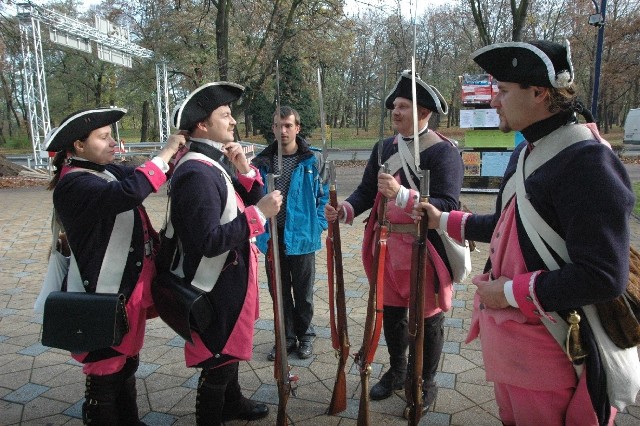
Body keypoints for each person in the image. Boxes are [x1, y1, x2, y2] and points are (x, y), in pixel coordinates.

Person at [416, 40, 635, 425]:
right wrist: (442, 220)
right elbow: (509, 225)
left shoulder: (588, 162)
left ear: (539, 93)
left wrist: (507, 293)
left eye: (503, 91)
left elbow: (604, 276)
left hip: (554, 353)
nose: (494, 102)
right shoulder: (529, 149)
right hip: (516, 351)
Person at [325, 71, 464, 414]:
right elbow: (367, 192)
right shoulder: (384, 148)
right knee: (393, 314)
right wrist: (345, 210)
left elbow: (448, 205)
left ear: (424, 113)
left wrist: (402, 194)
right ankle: (399, 369)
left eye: (404, 106)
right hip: (387, 247)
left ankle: (425, 380)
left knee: (428, 318)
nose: (396, 112)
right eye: (395, 106)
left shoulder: (443, 152)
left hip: (424, 249)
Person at [45, 107, 185, 425]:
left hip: (123, 290)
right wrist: (165, 152)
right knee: (105, 369)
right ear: (78, 146)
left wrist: (178, 153)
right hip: (103, 293)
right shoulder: (73, 184)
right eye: (104, 137)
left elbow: (141, 176)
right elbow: (128, 192)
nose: (113, 144)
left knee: (125, 362)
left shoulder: (100, 170)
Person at [169, 82, 282, 425]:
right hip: (213, 284)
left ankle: (233, 403)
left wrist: (245, 169)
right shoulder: (196, 172)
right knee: (217, 359)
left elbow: (245, 200)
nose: (232, 121)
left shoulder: (210, 163)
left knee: (228, 350)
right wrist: (259, 214)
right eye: (225, 115)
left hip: (227, 278)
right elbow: (208, 240)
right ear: (202, 125)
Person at [252, 106, 328, 360]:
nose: (283, 131)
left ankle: (305, 335)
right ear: (273, 128)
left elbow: (325, 196)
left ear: (297, 128)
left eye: (288, 125)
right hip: (273, 236)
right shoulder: (262, 162)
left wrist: (318, 224)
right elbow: (252, 195)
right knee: (279, 291)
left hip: (304, 236)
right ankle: (285, 338)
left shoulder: (313, 160)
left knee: (303, 292)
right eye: (278, 125)